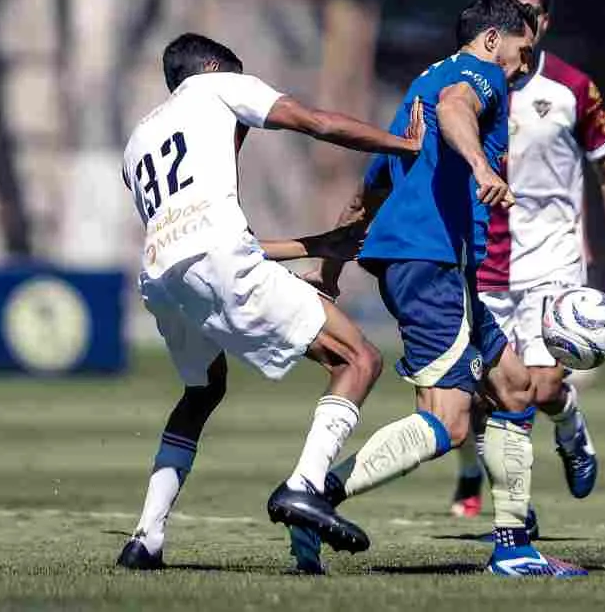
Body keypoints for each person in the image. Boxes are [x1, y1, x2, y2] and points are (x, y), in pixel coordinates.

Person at [282, 0, 587, 578]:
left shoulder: (416, 93)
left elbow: (371, 186)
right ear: (493, 40)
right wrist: (481, 166)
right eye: (523, 52)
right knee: (448, 421)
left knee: (516, 386)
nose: (524, 67)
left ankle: (514, 547)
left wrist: (332, 263)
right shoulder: (474, 74)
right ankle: (313, 497)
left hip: (443, 265)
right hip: (432, 262)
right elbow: (456, 110)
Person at [116, 32, 426, 570]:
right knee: (359, 359)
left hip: (162, 280)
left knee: (202, 391)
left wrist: (316, 247)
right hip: (215, 261)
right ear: (214, 68)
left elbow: (200, 237)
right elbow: (318, 123)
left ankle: (146, 538)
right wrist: (404, 146)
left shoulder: (138, 142)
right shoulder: (220, 86)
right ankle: (304, 485)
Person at [449, 0, 605, 519]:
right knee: (489, 395)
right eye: (518, 11)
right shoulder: (464, 87)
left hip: (553, 259)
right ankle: (510, 503)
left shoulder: (571, 87)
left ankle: (570, 426)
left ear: (547, 21)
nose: (530, 22)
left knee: (542, 388)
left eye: (537, 13)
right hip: (482, 263)